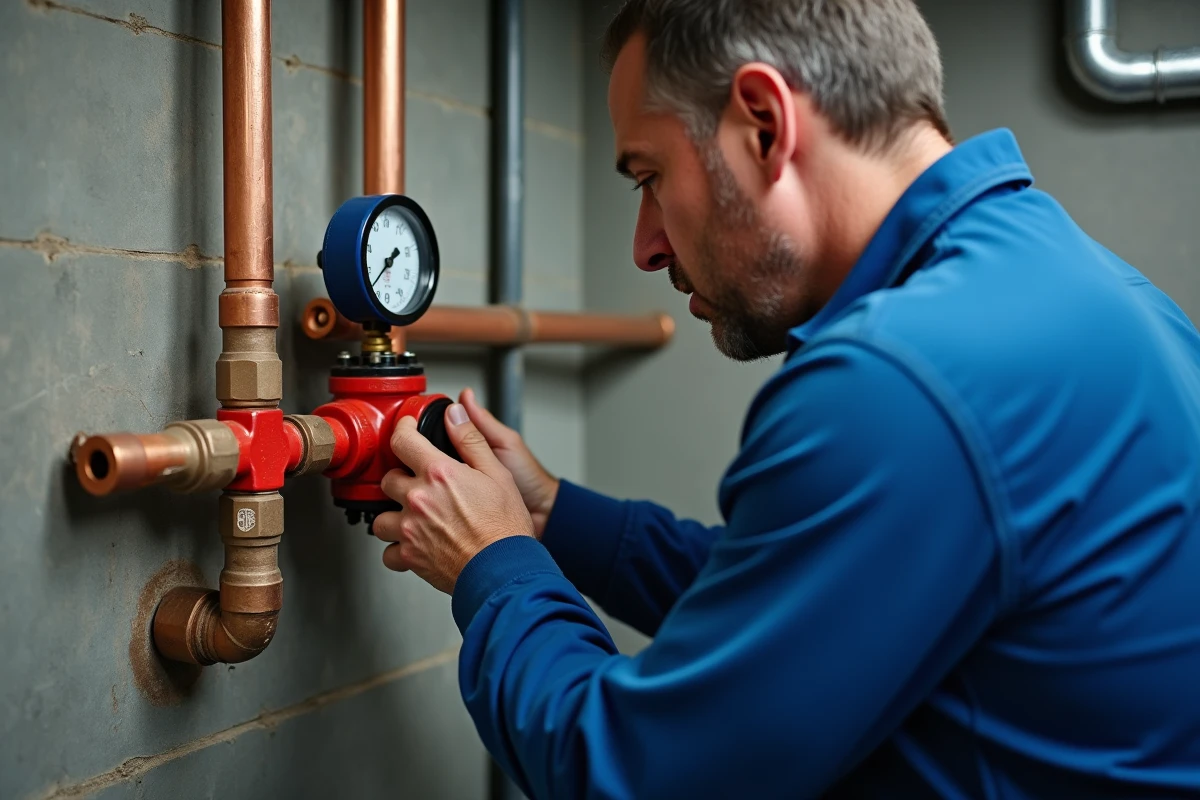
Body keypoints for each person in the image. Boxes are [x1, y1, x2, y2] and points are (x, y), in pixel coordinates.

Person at [374, 0, 1200, 796]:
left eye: (651, 176)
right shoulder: (1094, 293)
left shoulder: (900, 378)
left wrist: (495, 565)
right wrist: (554, 517)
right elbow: (810, 603)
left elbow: (633, 775)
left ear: (763, 125)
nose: (645, 246)